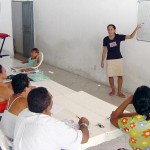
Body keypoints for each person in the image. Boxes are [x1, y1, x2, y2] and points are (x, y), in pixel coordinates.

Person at [14, 87, 89, 150]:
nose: (52, 98)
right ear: (47, 109)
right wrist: (83, 123)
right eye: (51, 97)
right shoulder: (51, 125)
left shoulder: (23, 113)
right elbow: (84, 138)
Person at [101, 24, 141, 98]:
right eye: (108, 29)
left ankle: (119, 92)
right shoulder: (105, 39)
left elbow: (131, 36)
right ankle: (113, 90)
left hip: (118, 59)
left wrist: (136, 28)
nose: (110, 31)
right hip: (110, 60)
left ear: (114, 30)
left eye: (111, 29)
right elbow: (104, 51)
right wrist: (102, 61)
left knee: (120, 76)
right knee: (110, 76)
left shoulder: (118, 36)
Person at [110, 86, 150, 150]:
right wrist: (123, 115)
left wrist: (127, 101)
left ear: (134, 103)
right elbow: (141, 115)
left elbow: (113, 118)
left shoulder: (131, 123)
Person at [1, 74, 32, 140]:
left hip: (4, 133)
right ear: (26, 89)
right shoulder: (23, 101)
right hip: (11, 137)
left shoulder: (12, 96)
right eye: (29, 86)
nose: (30, 88)